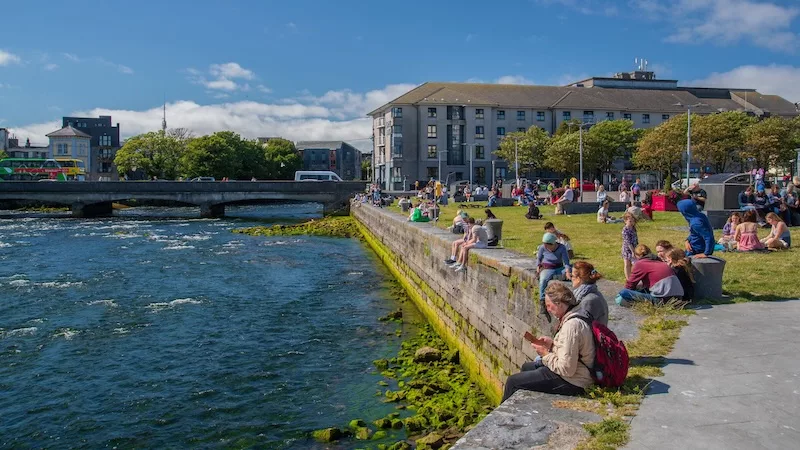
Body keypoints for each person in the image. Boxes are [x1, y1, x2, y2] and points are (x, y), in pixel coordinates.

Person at [502, 283, 595, 401]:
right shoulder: (577, 314)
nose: (548, 310)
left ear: (559, 304)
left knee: (513, 382)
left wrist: (545, 354)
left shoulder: (571, 326)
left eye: (549, 305)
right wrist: (552, 344)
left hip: (575, 382)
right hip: (576, 373)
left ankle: (504, 418)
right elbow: (572, 349)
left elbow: (566, 369)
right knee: (527, 367)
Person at [616, 244, 684, 306]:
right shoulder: (660, 262)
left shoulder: (640, 264)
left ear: (637, 256)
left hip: (663, 300)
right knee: (642, 289)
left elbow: (630, 284)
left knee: (623, 293)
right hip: (678, 298)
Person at [535, 232, 572, 307]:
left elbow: (566, 262)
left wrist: (568, 271)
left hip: (559, 268)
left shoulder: (562, 248)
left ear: (553, 243)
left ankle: (558, 276)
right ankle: (542, 301)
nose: (546, 247)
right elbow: (539, 259)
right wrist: (538, 266)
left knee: (573, 270)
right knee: (543, 280)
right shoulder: (542, 248)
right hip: (547, 269)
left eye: (548, 245)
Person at [571, 261, 608, 326]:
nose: (571, 278)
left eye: (572, 276)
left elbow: (582, 327)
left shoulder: (588, 301)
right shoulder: (593, 293)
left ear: (579, 279)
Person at [621, 212, 638, 280]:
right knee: (627, 264)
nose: (632, 222)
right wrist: (633, 251)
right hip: (627, 249)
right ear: (625, 221)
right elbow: (628, 242)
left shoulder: (633, 228)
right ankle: (628, 279)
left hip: (634, 247)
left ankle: (633, 277)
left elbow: (636, 239)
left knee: (634, 264)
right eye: (630, 221)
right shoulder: (625, 230)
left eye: (633, 221)